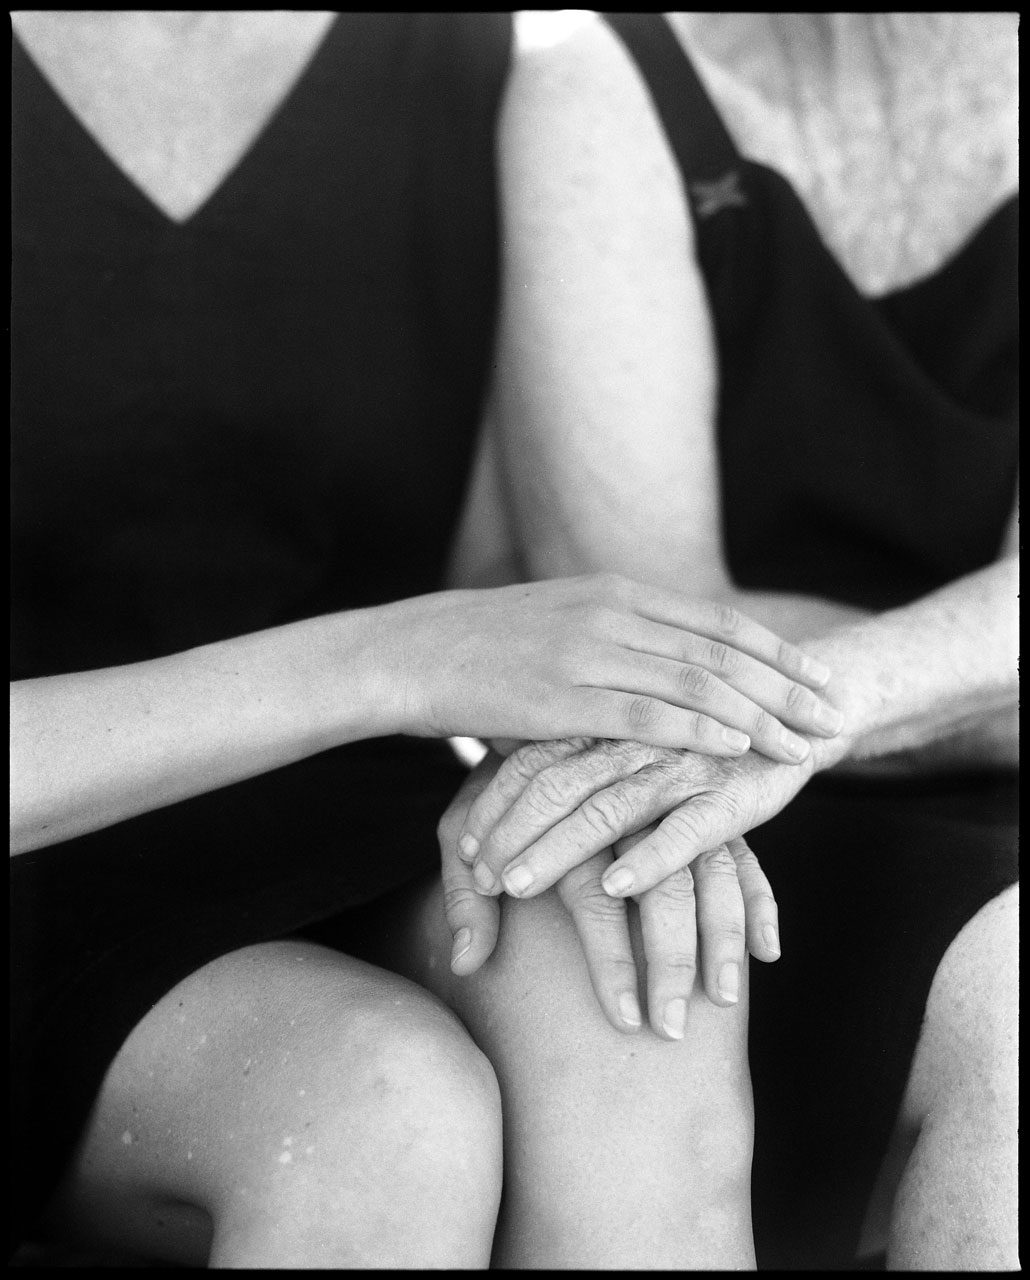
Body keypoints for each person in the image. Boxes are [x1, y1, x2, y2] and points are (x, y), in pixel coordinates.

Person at [9, 10, 852, 1268]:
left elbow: (500, 580)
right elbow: (433, 641)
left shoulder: (459, 59)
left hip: (346, 819)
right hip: (42, 844)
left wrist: (626, 777)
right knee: (377, 1108)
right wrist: (386, 661)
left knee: (635, 979)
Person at [439, 11, 1018, 1271]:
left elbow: (725, 671)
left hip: (768, 752)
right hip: (717, 814)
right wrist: (970, 651)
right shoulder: (601, 86)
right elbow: (655, 633)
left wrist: (834, 698)